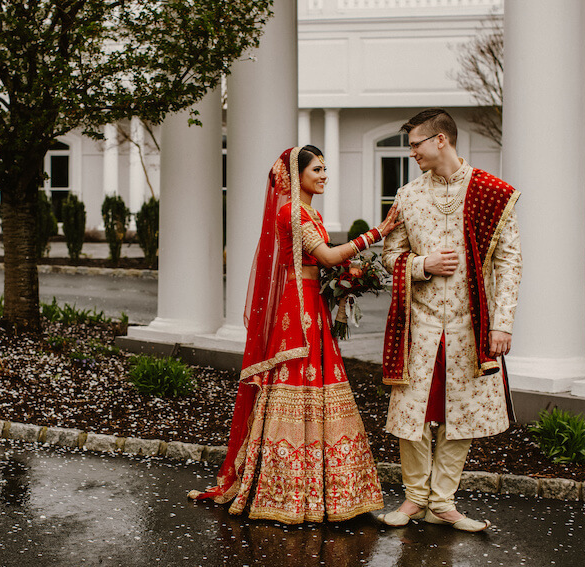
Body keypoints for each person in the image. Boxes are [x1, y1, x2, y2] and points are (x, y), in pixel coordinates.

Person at [188, 145, 401, 523]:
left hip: (312, 302)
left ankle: (324, 489)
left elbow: (328, 261)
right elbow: (328, 257)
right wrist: (378, 232)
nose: (323, 175)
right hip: (297, 307)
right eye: (317, 169)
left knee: (320, 379)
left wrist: (345, 281)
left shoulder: (310, 211)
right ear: (295, 174)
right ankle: (286, 490)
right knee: (298, 378)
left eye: (325, 169)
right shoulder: (292, 212)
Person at [379, 108, 521, 532]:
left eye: (416, 145)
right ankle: (413, 499)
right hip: (417, 325)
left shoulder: (492, 192)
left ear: (441, 139)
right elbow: (390, 256)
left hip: (470, 326)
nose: (412, 154)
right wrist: (422, 263)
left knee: (462, 413)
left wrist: (503, 323)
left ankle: (443, 501)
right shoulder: (407, 196)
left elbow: (509, 262)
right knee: (414, 414)